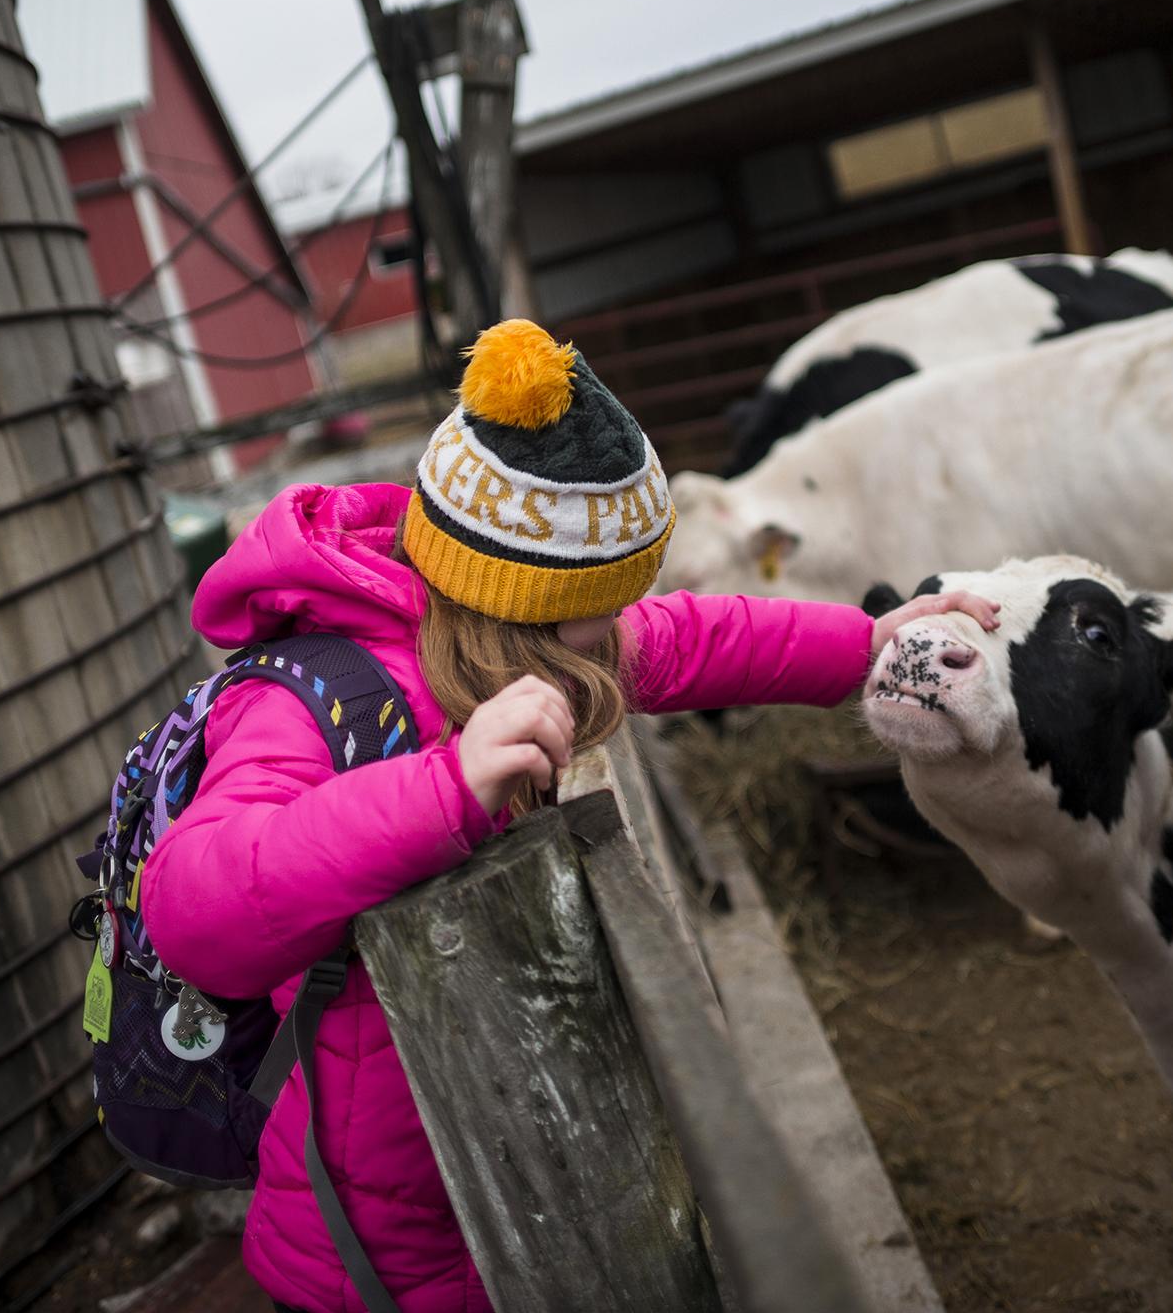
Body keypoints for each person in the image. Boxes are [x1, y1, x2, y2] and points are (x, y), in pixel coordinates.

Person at [140, 320, 998, 1312]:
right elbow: (196, 909)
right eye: (599, 606)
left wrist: (861, 645)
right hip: (380, 1241)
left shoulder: (527, 642)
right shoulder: (310, 698)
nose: (622, 626)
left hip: (517, 1164)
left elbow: (688, 638)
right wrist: (445, 787)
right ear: (514, 596)